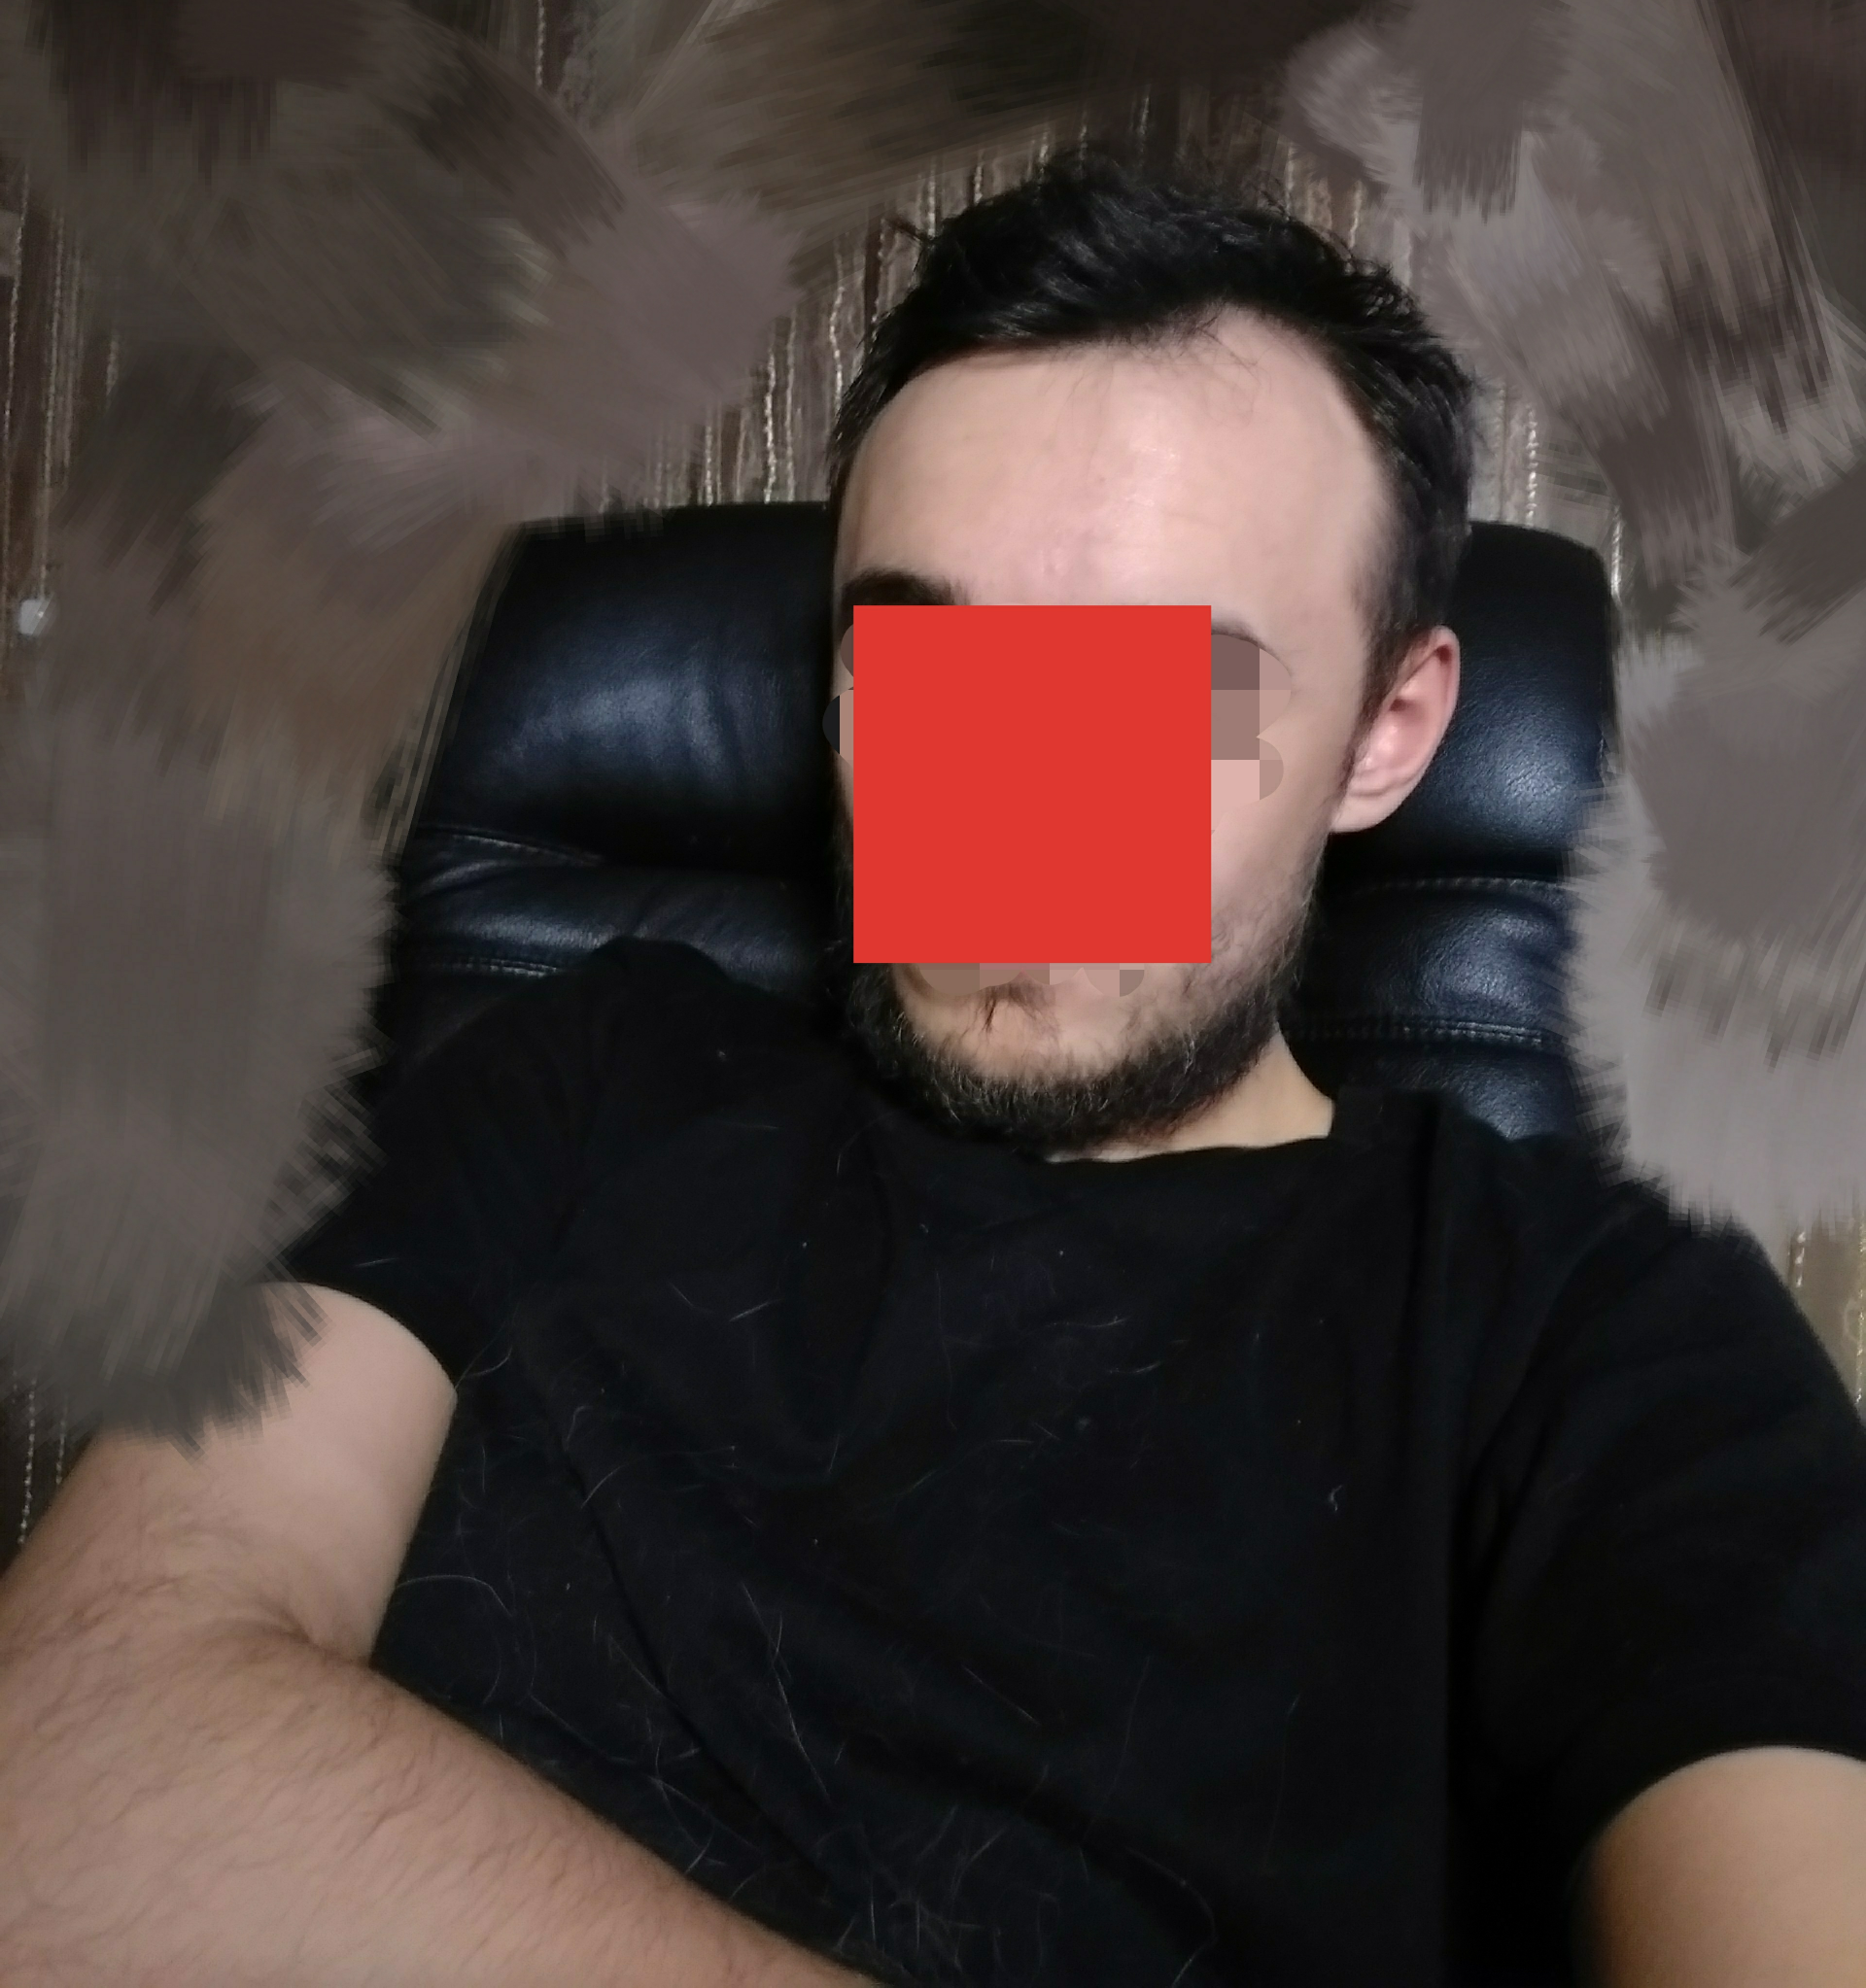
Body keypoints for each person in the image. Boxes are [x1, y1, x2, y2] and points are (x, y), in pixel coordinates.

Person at [4, 156, 1866, 1988]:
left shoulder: (1595, 1325)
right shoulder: (576, 1072)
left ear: (1389, 732)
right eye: (918, 662)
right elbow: (66, 1768)